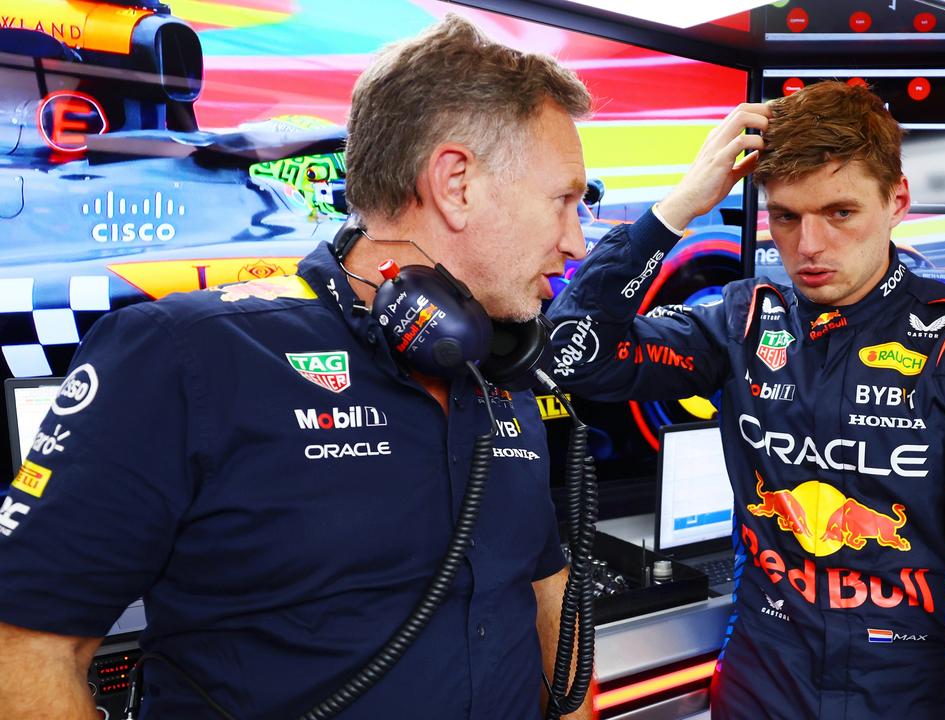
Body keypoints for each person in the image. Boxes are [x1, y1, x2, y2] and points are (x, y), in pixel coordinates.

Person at [0, 15, 595, 719]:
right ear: (456, 182)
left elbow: (546, 588)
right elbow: (25, 648)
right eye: (564, 201)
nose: (577, 242)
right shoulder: (183, 358)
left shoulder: (495, 366)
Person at [546, 80, 945, 718]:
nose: (809, 246)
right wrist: (678, 208)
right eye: (786, 216)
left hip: (909, 691)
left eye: (840, 212)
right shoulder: (740, 322)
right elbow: (572, 352)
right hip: (764, 683)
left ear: (896, 200)